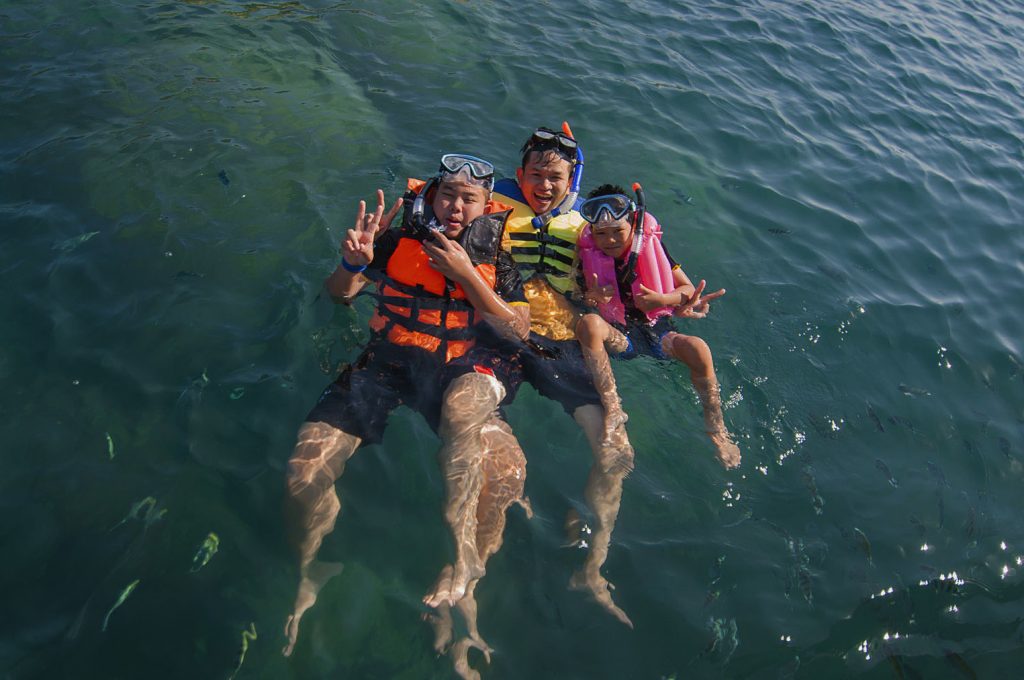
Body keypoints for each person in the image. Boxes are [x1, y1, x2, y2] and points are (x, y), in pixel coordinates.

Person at [282, 154, 531, 657]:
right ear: (432, 198)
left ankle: (464, 577)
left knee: (507, 475)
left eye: (469, 199)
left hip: (463, 370)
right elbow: (341, 298)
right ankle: (309, 571)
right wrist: (352, 264)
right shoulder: (397, 242)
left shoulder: (499, 261)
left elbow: (518, 331)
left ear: (487, 206)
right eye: (447, 195)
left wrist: (468, 275)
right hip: (388, 362)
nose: (456, 207)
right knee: (300, 479)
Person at [492, 125, 636, 627]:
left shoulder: (586, 228)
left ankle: (592, 565)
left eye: (555, 178)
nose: (545, 187)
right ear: (519, 176)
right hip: (505, 336)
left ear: (571, 179)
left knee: (616, 449)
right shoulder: (491, 209)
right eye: (535, 176)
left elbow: (636, 275)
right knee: (479, 428)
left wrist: (678, 301)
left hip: (561, 341)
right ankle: (508, 504)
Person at [575, 183, 741, 468]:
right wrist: (591, 296)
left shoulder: (653, 245)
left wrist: (663, 298)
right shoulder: (588, 254)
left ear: (634, 226)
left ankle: (717, 430)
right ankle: (614, 410)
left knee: (698, 348)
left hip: (658, 331)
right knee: (589, 324)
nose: (610, 240)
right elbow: (579, 294)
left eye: (618, 231)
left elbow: (687, 289)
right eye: (601, 234)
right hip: (618, 336)